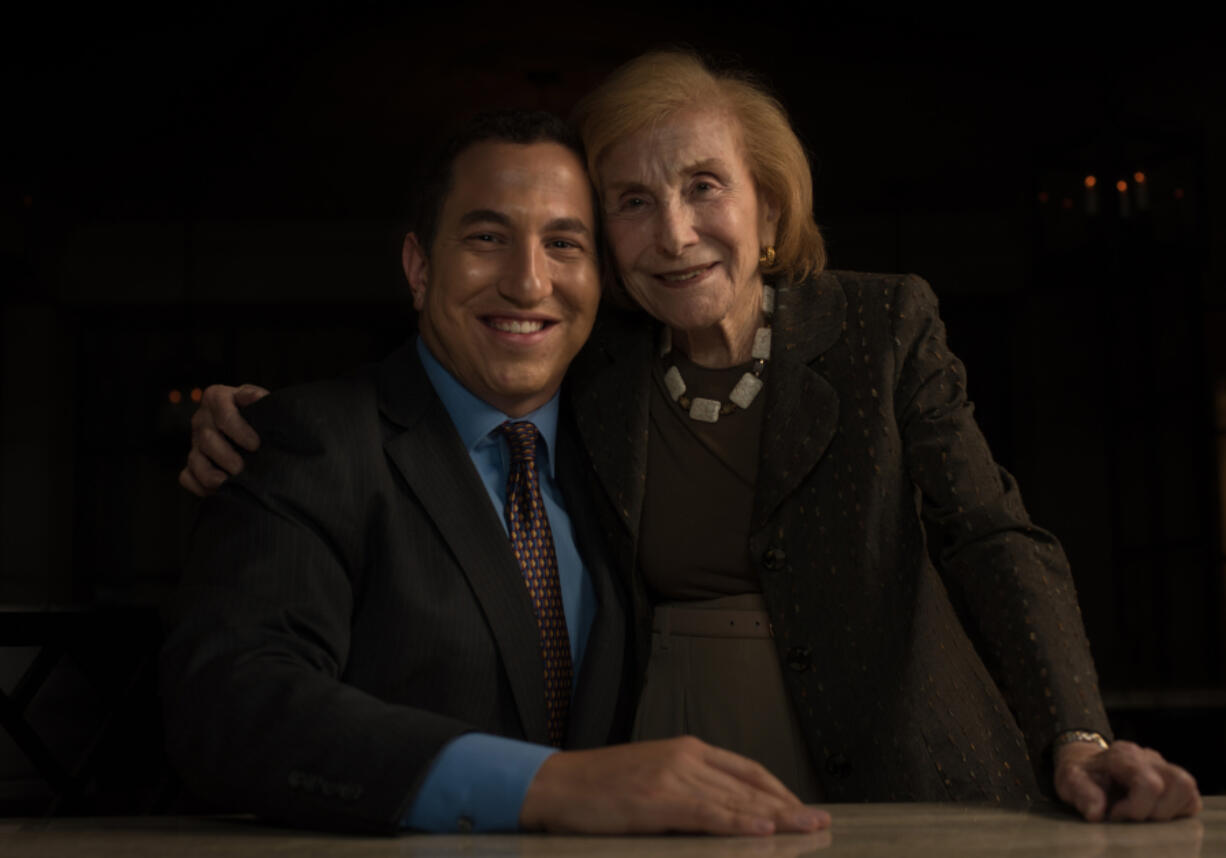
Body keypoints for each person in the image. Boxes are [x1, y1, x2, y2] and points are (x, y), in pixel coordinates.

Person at [182, 51, 1202, 823]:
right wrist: (238, 422)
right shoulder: (598, 372)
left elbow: (990, 535)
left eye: (701, 186)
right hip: (660, 793)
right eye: (629, 202)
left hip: (905, 776)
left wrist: (1075, 730)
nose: (670, 233)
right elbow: (246, 683)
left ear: (765, 206)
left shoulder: (872, 330)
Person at [162, 109, 830, 837]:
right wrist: (549, 785)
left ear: (600, 279)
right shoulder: (310, 442)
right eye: (487, 239)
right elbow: (232, 702)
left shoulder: (620, 449)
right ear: (420, 268)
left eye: (564, 243)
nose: (527, 281)